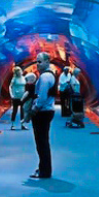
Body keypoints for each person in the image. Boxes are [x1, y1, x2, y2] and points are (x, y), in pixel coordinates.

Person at [28, 51, 57, 179]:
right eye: (37, 61)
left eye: (40, 61)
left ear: (47, 61)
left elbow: (42, 97)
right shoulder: (49, 75)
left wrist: (33, 110)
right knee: (42, 142)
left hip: (42, 112)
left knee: (41, 142)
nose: (37, 64)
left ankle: (44, 171)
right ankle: (43, 168)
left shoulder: (45, 77)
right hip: (46, 111)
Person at [9, 65, 26, 130]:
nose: (20, 72)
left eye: (20, 71)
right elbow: (10, 87)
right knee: (15, 111)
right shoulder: (14, 79)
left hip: (23, 96)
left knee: (23, 111)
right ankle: (13, 125)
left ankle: (22, 124)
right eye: (18, 72)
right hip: (16, 97)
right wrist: (11, 95)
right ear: (16, 72)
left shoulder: (23, 78)